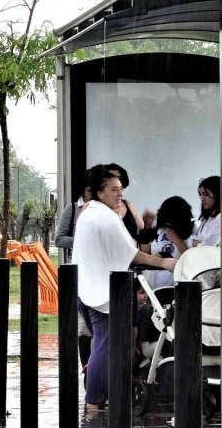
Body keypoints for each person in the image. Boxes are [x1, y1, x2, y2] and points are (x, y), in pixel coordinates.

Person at [72, 165, 176, 412]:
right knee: (104, 346)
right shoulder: (103, 216)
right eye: (114, 189)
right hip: (102, 294)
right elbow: (131, 254)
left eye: (121, 189)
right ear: (99, 192)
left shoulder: (92, 212)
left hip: (89, 290)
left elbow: (136, 240)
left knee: (104, 345)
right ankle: (94, 403)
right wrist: (163, 263)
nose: (119, 194)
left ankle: (103, 395)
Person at [54, 168, 94, 368]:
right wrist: (82, 239)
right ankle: (86, 368)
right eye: (89, 190)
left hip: (98, 272)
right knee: (82, 325)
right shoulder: (72, 209)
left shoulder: (104, 211)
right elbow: (59, 239)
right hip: (79, 272)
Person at [138, 196, 194, 287]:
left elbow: (191, 259)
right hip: (151, 283)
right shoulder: (159, 229)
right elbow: (145, 252)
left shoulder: (191, 230)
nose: (169, 225)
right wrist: (146, 229)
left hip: (174, 285)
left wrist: (177, 240)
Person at [105, 163, 144, 240]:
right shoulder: (97, 207)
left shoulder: (128, 205)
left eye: (119, 178)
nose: (115, 181)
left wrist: (148, 223)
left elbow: (141, 227)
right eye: (111, 177)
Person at [189, 176, 221, 248]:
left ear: (217, 193)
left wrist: (194, 242)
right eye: (200, 194)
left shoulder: (221, 218)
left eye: (206, 194)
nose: (202, 198)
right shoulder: (207, 218)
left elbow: (209, 246)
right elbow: (192, 239)